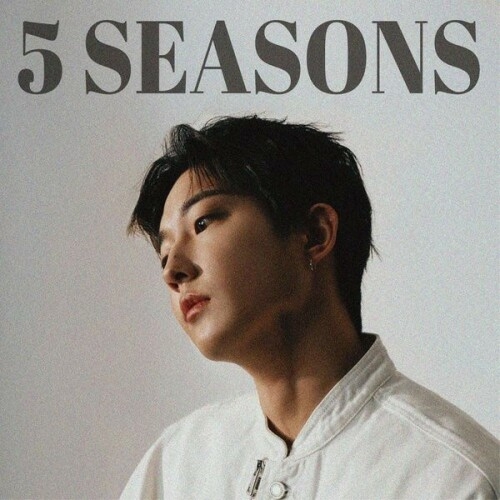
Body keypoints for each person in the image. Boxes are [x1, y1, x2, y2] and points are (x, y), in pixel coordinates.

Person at [121, 116, 498, 499]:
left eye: (202, 223)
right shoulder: (176, 465)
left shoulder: (454, 477)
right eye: (163, 252)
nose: (172, 270)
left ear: (315, 234)